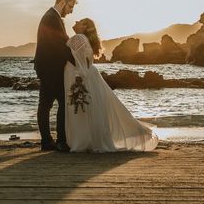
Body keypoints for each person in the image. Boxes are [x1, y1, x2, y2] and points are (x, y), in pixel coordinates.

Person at [64, 18, 158, 153]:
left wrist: (78, 80)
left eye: (80, 21)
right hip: (92, 76)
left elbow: (78, 61)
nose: (76, 21)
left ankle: (84, 141)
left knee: (86, 110)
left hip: (83, 77)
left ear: (84, 26)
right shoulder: (85, 40)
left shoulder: (78, 38)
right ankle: (93, 139)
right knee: (94, 109)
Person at [34, 0, 76, 152]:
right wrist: (77, 62)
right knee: (62, 102)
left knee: (45, 104)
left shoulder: (52, 17)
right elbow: (60, 45)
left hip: (46, 67)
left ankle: (47, 141)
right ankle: (60, 141)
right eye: (70, 7)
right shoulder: (51, 18)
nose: (71, 11)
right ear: (63, 2)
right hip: (51, 68)